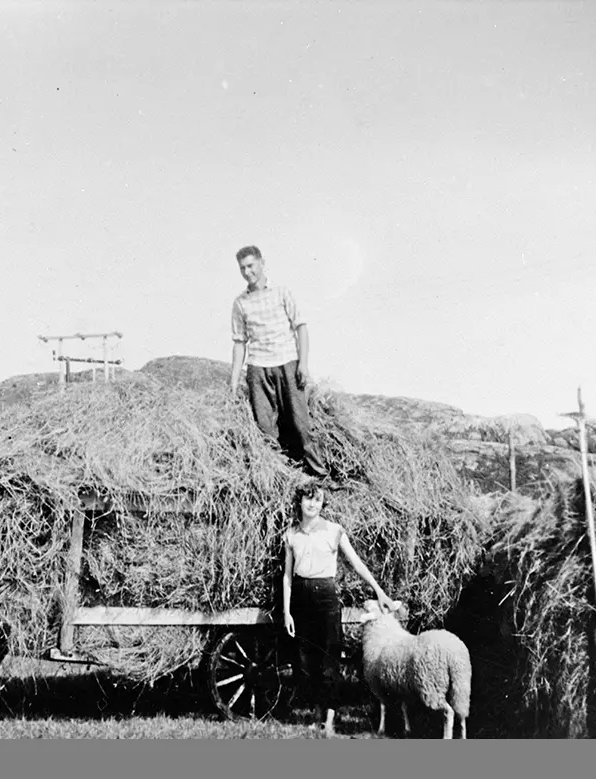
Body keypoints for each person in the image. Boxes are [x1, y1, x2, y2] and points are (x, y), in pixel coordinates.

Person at [282, 482, 396, 736]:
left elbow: (357, 564)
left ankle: (330, 722)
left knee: (329, 658)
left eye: (318, 500)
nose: (312, 504)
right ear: (299, 501)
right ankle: (316, 714)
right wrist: (287, 611)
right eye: (307, 499)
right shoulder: (291, 535)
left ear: (323, 504)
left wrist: (379, 591)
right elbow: (287, 576)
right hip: (300, 596)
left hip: (326, 596)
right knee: (305, 661)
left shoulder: (334, 531)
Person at [228, 245, 329, 480]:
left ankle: (321, 475)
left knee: (300, 423)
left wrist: (303, 364)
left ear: (262, 263)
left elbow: (301, 328)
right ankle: (281, 477)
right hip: (258, 368)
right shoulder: (240, 303)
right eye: (242, 268)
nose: (247, 272)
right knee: (265, 427)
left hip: (287, 362)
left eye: (251, 266)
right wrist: (234, 381)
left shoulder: (282, 292)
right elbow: (239, 342)